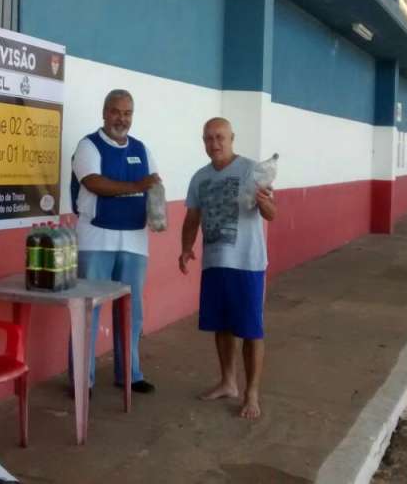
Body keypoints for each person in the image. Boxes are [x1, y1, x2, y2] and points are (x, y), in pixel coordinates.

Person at [179, 117, 276, 419]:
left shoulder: (250, 170)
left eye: (220, 137)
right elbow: (192, 217)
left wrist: (263, 202)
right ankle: (228, 382)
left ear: (232, 138)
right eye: (208, 138)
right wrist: (185, 249)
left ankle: (252, 393)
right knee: (221, 326)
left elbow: (272, 214)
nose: (214, 143)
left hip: (247, 264)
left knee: (250, 329)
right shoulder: (199, 178)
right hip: (214, 262)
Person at [69, 89, 161, 394]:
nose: (121, 118)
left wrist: (158, 214)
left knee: (131, 312)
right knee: (87, 311)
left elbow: (154, 186)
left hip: (135, 240)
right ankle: (84, 379)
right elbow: (94, 182)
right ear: (104, 113)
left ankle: (130, 374)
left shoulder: (142, 149)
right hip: (96, 237)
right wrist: (136, 185)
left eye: (127, 113)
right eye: (115, 111)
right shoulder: (88, 145)